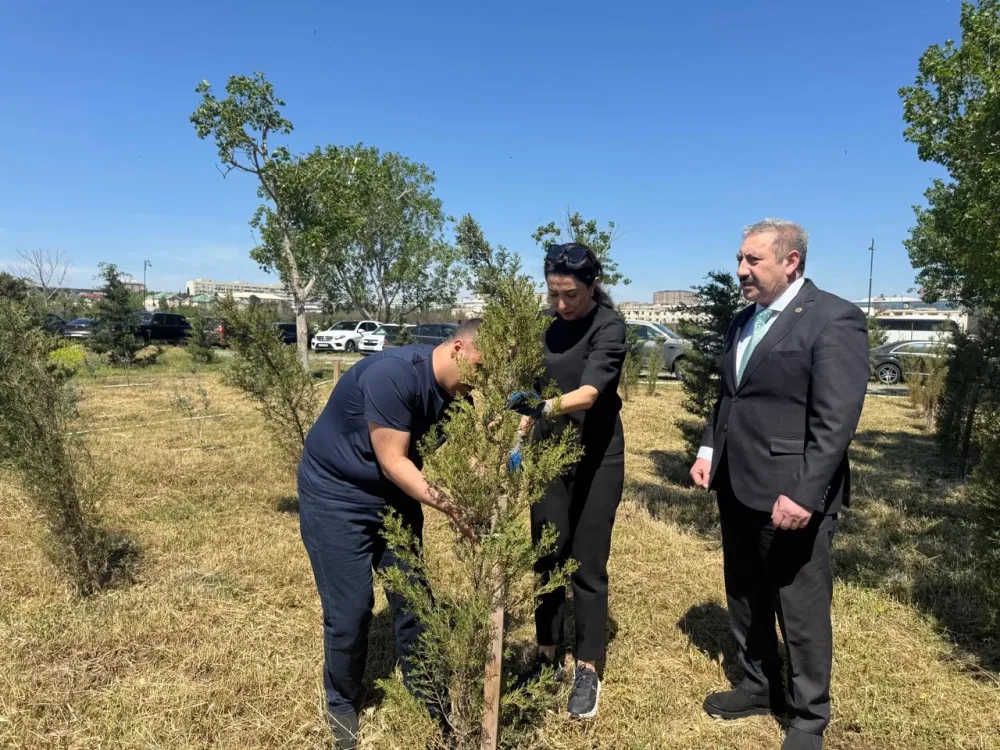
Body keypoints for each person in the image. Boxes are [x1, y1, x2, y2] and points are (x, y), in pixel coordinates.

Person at [689, 219, 869, 750]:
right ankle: (757, 685)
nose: (741, 270)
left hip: (793, 492)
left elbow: (836, 420)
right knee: (744, 592)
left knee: (801, 607)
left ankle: (808, 716)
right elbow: (728, 397)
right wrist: (707, 450)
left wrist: (806, 493)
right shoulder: (742, 321)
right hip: (736, 483)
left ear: (790, 261)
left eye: (753, 261)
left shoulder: (833, 319)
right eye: (740, 260)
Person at [297, 320, 481, 750]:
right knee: (351, 610)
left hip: (393, 497)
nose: (481, 383)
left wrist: (485, 491)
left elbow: (466, 461)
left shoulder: (458, 396)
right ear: (457, 348)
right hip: (336, 494)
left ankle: (428, 699)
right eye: (480, 369)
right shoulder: (394, 375)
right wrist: (453, 508)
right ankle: (343, 699)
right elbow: (395, 462)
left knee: (415, 598)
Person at [508, 242, 627, 720]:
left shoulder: (610, 326)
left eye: (570, 295)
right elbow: (535, 387)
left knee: (587, 564)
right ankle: (546, 652)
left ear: (593, 285)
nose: (560, 304)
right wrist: (521, 437)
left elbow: (591, 392)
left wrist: (545, 408)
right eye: (554, 293)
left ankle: (588, 666)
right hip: (549, 457)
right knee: (547, 554)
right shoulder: (545, 326)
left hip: (597, 458)